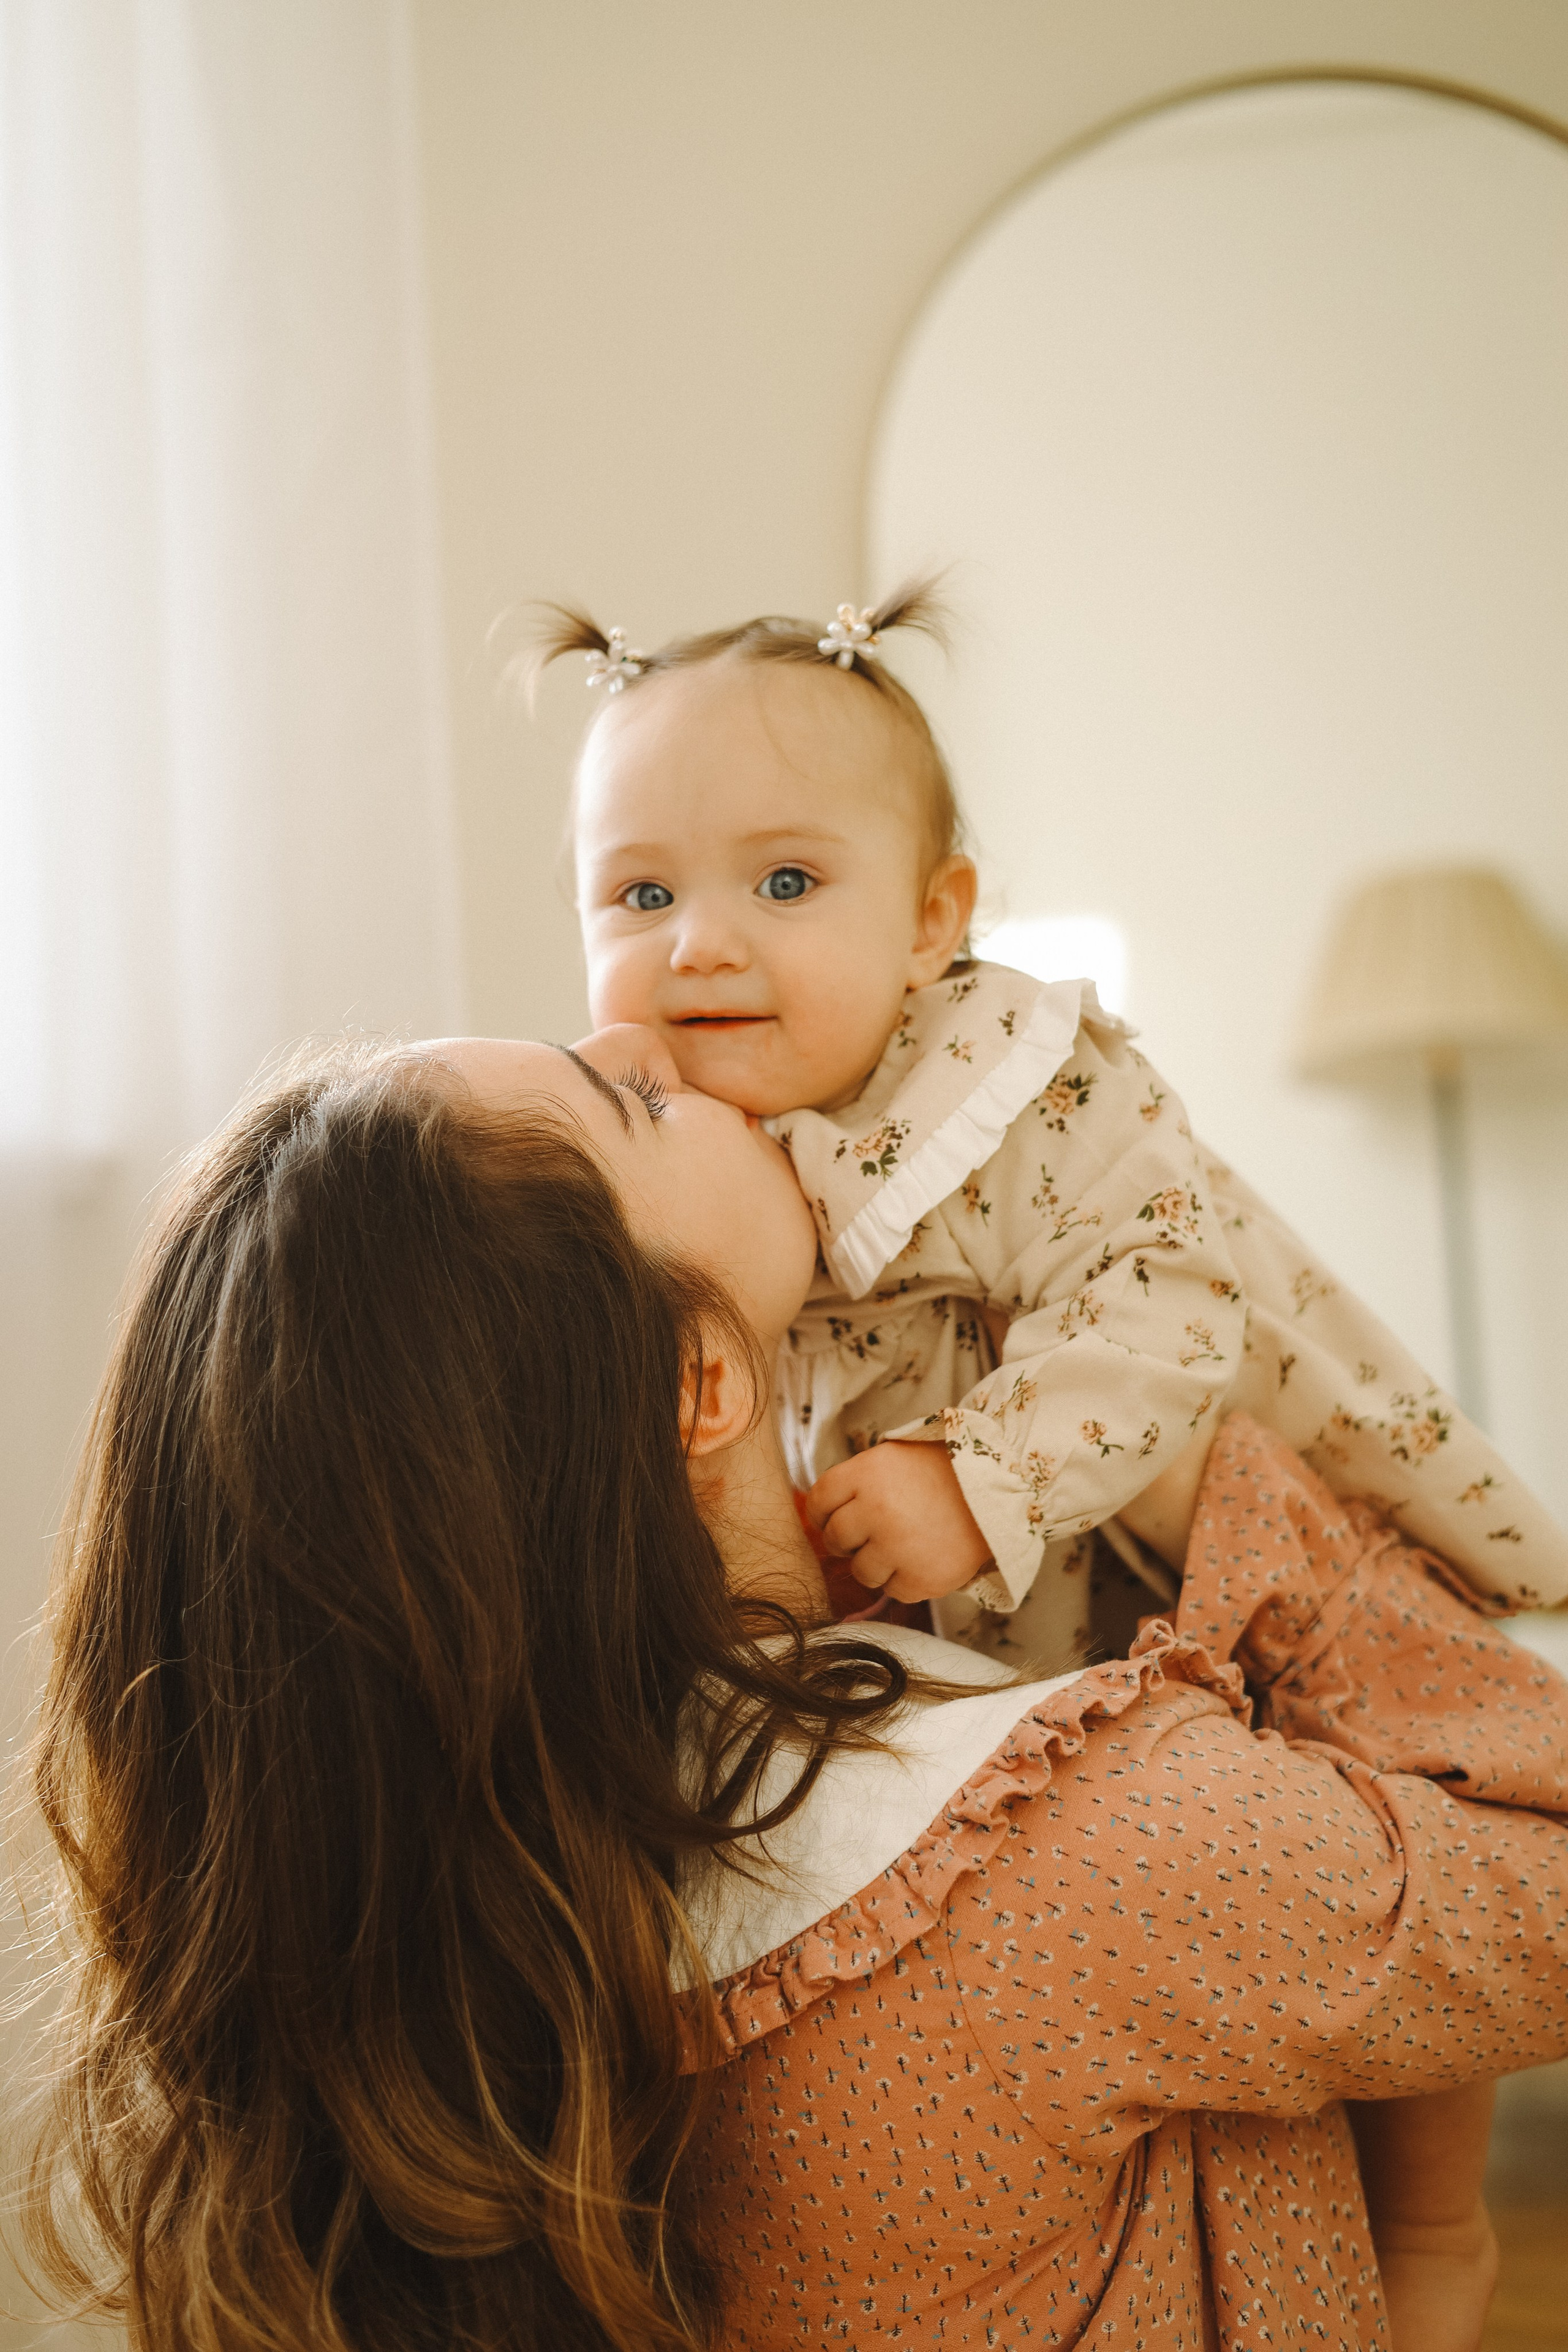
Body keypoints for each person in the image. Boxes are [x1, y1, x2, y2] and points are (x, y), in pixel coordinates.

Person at [21, 1030, 1568, 2350]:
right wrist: (1198, 1463)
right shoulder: (1063, 1852)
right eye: (623, 1102)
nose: (651, 1033)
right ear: (702, 1383)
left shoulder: (494, 1923)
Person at [546, 587, 1568, 1676]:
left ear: (931, 923)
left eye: (785, 881)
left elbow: (1170, 1295)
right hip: (903, 1633)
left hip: (1158, 1571)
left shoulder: (1006, 1086)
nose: (698, 944)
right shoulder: (652, 1146)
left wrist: (975, 1477)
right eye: (643, 893)